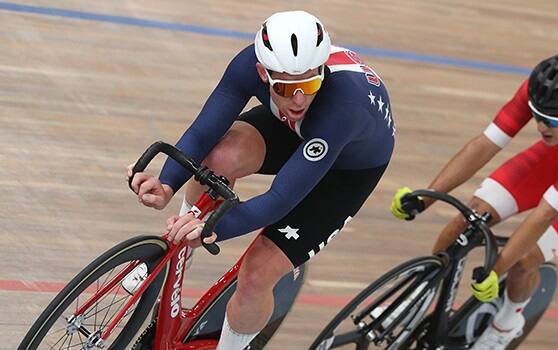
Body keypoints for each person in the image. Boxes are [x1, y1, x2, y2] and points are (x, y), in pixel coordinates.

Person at [127, 10, 394, 349]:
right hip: (294, 130)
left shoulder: (344, 107)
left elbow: (280, 200)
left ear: (322, 71)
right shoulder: (247, 64)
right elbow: (203, 131)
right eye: (284, 87)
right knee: (219, 156)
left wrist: (212, 228)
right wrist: (167, 183)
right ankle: (180, 247)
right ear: (262, 73)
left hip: (346, 165)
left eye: (309, 84)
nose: (298, 99)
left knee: (256, 275)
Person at [391, 53, 558, 349]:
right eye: (536, 115)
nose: (540, 126)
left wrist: (496, 270)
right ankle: (419, 299)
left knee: (524, 259)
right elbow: (485, 144)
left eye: (551, 120)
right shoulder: (540, 91)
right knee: (469, 218)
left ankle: (507, 324)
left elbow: (545, 213)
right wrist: (425, 198)